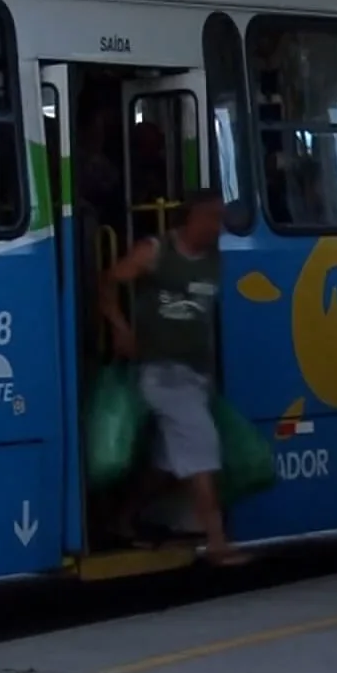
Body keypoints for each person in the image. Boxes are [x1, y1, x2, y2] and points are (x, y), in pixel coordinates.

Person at [99, 188, 249, 567]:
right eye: (213, 218)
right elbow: (108, 282)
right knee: (202, 454)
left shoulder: (215, 258)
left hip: (196, 375)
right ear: (193, 217)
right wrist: (120, 329)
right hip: (162, 374)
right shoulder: (156, 251)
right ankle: (216, 541)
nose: (219, 227)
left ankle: (120, 518)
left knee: (166, 466)